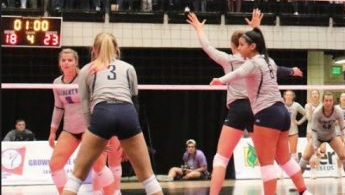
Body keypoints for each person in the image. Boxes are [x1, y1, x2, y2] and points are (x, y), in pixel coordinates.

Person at [187, 11, 303, 195]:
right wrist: (255, 27)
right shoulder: (260, 60)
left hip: (238, 110)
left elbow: (207, 47)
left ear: (235, 46)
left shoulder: (229, 60)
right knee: (270, 160)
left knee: (221, 158)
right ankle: (302, 190)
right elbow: (265, 53)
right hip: (258, 111)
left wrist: (199, 29)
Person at [60, 33, 162, 195]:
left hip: (102, 114)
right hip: (127, 114)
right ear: (117, 49)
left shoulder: (87, 70)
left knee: (76, 177)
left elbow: (86, 106)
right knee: (149, 178)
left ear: (93, 50)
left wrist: (92, 131)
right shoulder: (129, 67)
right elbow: (135, 102)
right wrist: (131, 134)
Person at [211, 27, 308, 195]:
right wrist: (292, 70)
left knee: (266, 164)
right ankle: (304, 191)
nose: (238, 48)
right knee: (284, 160)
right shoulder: (269, 61)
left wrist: (220, 80)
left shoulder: (252, 63)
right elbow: (280, 70)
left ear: (252, 46)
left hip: (267, 114)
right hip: (283, 113)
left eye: (242, 45)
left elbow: (237, 74)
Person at [47, 48, 120, 195]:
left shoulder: (85, 77)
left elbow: (100, 101)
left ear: (76, 62)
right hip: (70, 129)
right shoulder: (57, 82)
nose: (66, 63)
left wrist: (103, 130)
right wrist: (53, 131)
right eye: (63, 60)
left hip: (91, 128)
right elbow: (58, 107)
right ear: (59, 63)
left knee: (98, 166)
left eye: (70, 60)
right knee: (55, 164)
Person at [300, 91, 345, 190]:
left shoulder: (338, 111)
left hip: (332, 136)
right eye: (326, 100)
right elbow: (313, 130)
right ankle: (296, 183)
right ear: (323, 101)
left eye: (330, 100)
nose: (328, 103)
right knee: (305, 157)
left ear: (333, 101)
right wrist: (314, 145)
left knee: (344, 156)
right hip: (318, 136)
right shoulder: (317, 112)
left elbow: (342, 127)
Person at [284, 90, 305, 163]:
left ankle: (294, 170)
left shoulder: (296, 105)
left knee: (293, 151)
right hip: (283, 132)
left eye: (290, 95)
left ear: (293, 97)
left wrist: (299, 122)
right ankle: (281, 171)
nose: (289, 96)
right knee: (283, 151)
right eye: (287, 95)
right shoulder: (281, 104)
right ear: (284, 96)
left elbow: (306, 114)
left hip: (293, 132)